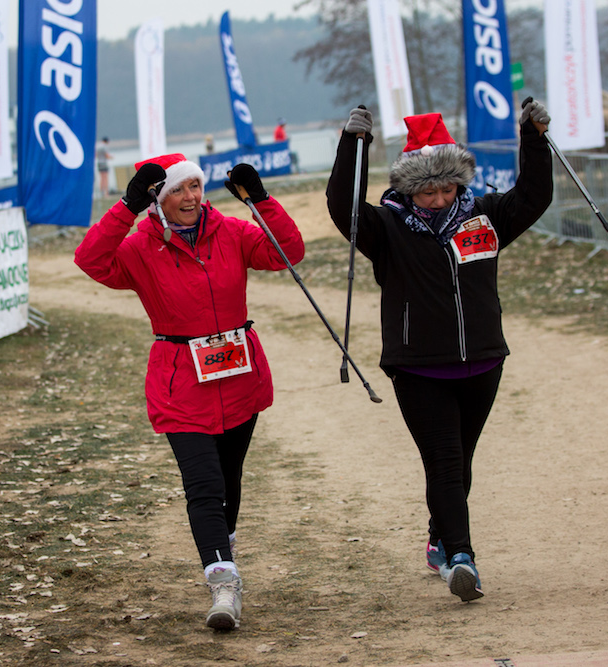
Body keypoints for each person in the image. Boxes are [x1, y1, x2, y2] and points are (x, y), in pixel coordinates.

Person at [326, 100, 553, 602]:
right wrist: (352, 145)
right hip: (419, 369)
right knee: (445, 461)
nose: (437, 199)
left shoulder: (487, 216)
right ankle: (461, 558)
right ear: (408, 188)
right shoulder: (385, 228)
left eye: (446, 188)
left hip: (484, 361)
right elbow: (343, 208)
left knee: (460, 461)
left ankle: (439, 538)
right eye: (427, 191)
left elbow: (535, 196)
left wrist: (533, 138)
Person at [74, 153, 304, 630]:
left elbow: (288, 253)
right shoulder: (139, 249)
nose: (191, 197)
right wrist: (126, 206)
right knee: (204, 486)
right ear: (157, 200)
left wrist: (261, 200)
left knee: (229, 479)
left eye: (195, 186)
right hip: (180, 385)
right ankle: (223, 582)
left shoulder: (232, 233)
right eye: (178, 189)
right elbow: (90, 259)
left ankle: (222, 545)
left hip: (238, 379)